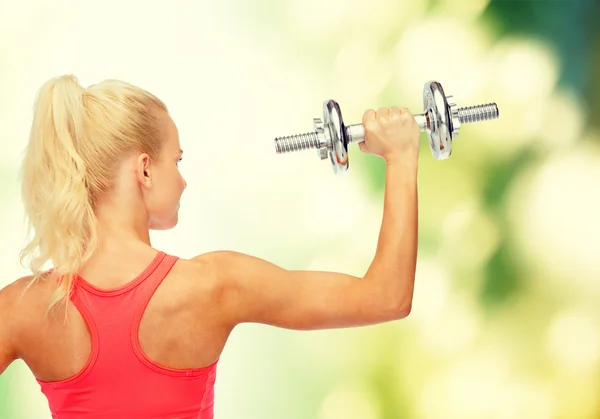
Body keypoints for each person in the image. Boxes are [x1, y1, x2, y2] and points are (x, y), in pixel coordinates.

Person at [0, 74, 420, 419]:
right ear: (144, 169)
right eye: (177, 160)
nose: (182, 180)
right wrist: (401, 158)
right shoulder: (214, 285)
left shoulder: (24, 307)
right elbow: (386, 297)